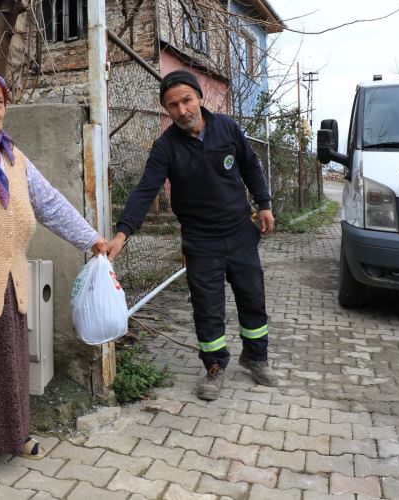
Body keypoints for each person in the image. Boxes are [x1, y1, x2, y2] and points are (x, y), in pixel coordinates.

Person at [0, 68, 107, 488]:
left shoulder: (13, 155)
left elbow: (51, 205)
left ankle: (11, 434)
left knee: (7, 363)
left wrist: (91, 239)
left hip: (8, 281)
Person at [107, 69, 278, 401]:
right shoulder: (165, 147)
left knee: (252, 298)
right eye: (172, 105)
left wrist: (265, 204)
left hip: (241, 231)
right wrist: (122, 233)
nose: (182, 110)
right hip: (201, 240)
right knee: (207, 307)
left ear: (200, 97)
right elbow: (145, 190)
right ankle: (214, 367)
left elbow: (251, 165)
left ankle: (256, 358)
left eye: (186, 100)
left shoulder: (227, 127)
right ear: (166, 110)